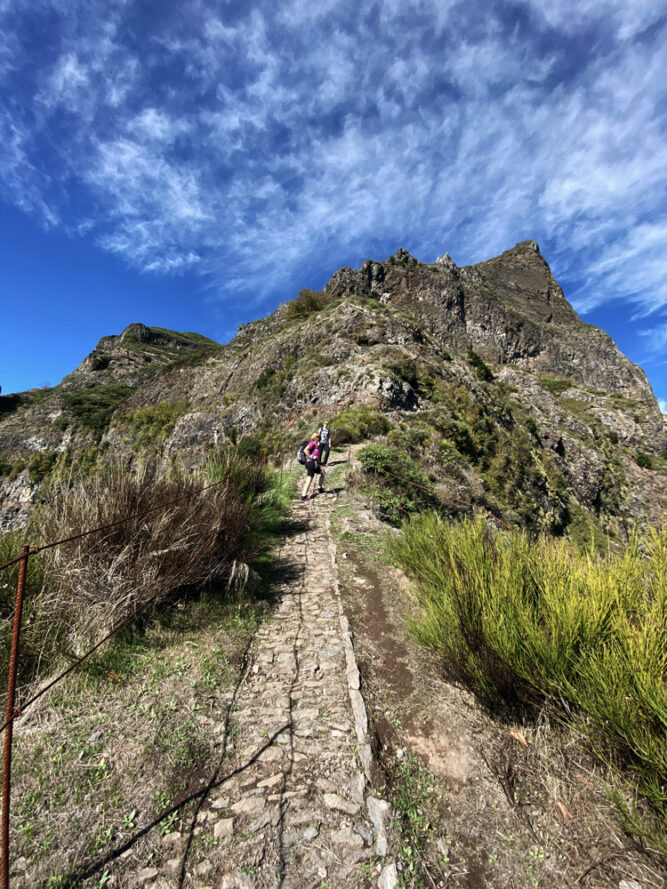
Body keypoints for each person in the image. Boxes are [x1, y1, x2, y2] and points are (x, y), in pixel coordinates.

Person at [300, 433, 327, 501]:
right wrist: (311, 457)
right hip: (310, 463)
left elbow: (316, 456)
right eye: (316, 437)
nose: (318, 438)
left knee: (323, 473)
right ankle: (303, 496)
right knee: (309, 479)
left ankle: (320, 488)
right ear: (313, 438)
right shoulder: (311, 443)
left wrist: (320, 463)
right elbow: (305, 450)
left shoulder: (317, 445)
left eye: (319, 437)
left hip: (315, 463)